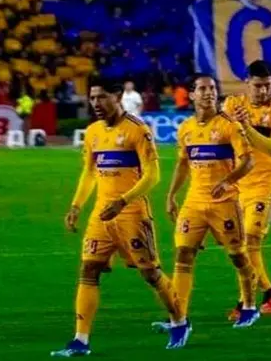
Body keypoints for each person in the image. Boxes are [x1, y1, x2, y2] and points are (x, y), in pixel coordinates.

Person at [51, 81, 181, 358]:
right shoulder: (93, 132)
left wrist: (123, 201)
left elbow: (153, 175)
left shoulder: (137, 129)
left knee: (150, 273)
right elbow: (89, 172)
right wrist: (76, 205)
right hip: (101, 214)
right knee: (89, 270)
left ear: (117, 96)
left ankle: (180, 321)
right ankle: (80, 340)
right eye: (92, 98)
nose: (96, 103)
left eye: (102, 97)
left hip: (132, 213)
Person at [156, 74, 258, 349]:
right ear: (191, 95)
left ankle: (249, 304)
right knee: (183, 255)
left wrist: (227, 181)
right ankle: (179, 319)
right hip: (194, 203)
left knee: (237, 256)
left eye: (212, 88)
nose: (208, 93)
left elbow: (249, 161)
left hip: (225, 203)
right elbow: (182, 164)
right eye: (202, 89)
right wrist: (171, 195)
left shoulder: (229, 126)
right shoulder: (186, 128)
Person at [223, 60, 271, 320]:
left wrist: (246, 127)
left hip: (264, 184)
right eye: (258, 85)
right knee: (240, 246)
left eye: (267, 86)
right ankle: (269, 291)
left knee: (250, 240)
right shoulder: (232, 105)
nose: (263, 91)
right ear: (247, 83)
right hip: (238, 184)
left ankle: (245, 303)